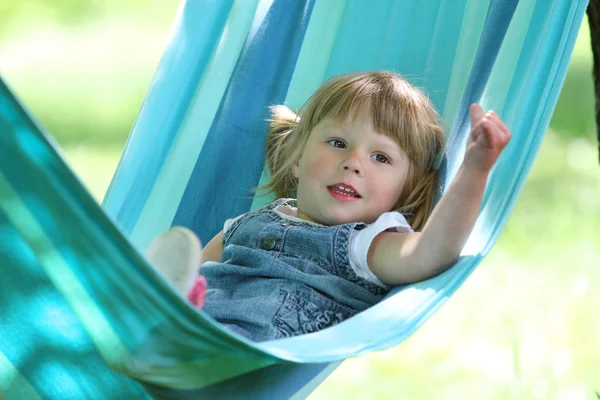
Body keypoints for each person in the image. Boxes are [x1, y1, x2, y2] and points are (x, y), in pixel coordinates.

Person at [146, 71, 511, 342]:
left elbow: (432, 252)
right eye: (338, 142)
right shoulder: (245, 223)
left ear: (403, 193)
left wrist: (474, 170)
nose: (354, 162)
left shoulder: (367, 244)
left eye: (381, 157)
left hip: (251, 355)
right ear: (297, 159)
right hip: (191, 327)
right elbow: (198, 271)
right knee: (166, 295)